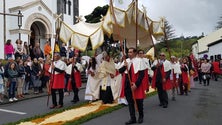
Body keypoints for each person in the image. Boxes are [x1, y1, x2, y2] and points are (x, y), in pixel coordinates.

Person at [118, 48, 146, 124]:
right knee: (130, 102)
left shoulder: (139, 61)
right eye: (128, 52)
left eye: (130, 52)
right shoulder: (126, 61)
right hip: (127, 84)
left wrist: (136, 84)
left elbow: (142, 74)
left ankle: (141, 116)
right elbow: (120, 71)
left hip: (135, 84)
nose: (129, 53)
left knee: (139, 102)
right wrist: (124, 66)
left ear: (134, 53)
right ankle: (132, 118)